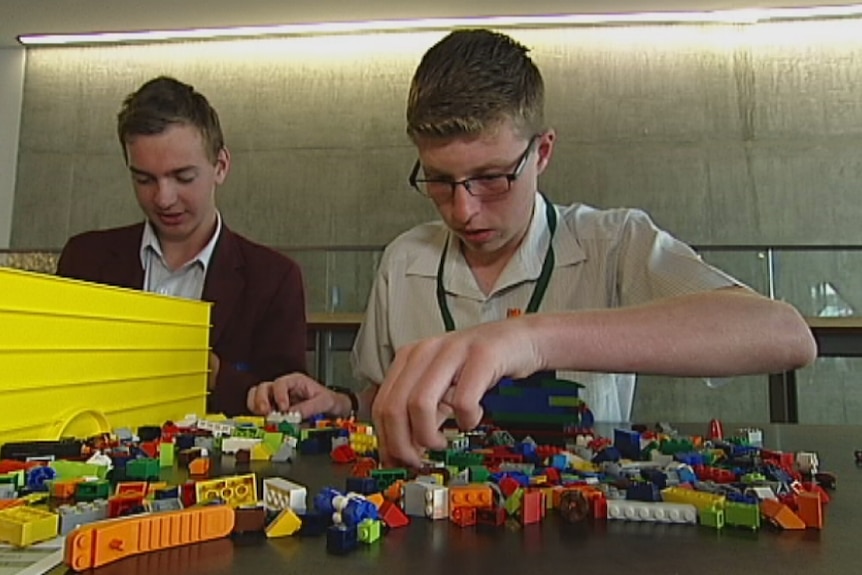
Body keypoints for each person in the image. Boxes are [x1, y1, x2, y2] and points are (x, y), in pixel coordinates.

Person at [252, 29, 817, 465]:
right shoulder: (405, 259)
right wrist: (344, 405)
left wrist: (531, 338)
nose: (465, 209)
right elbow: (382, 390)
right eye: (441, 181)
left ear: (542, 152)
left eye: (492, 177)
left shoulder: (611, 242)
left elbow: (783, 335)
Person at [56, 76, 318, 417]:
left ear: (220, 166)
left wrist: (212, 375)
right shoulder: (84, 260)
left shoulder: (273, 278)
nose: (163, 199)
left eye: (183, 177)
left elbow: (288, 406)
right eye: (144, 179)